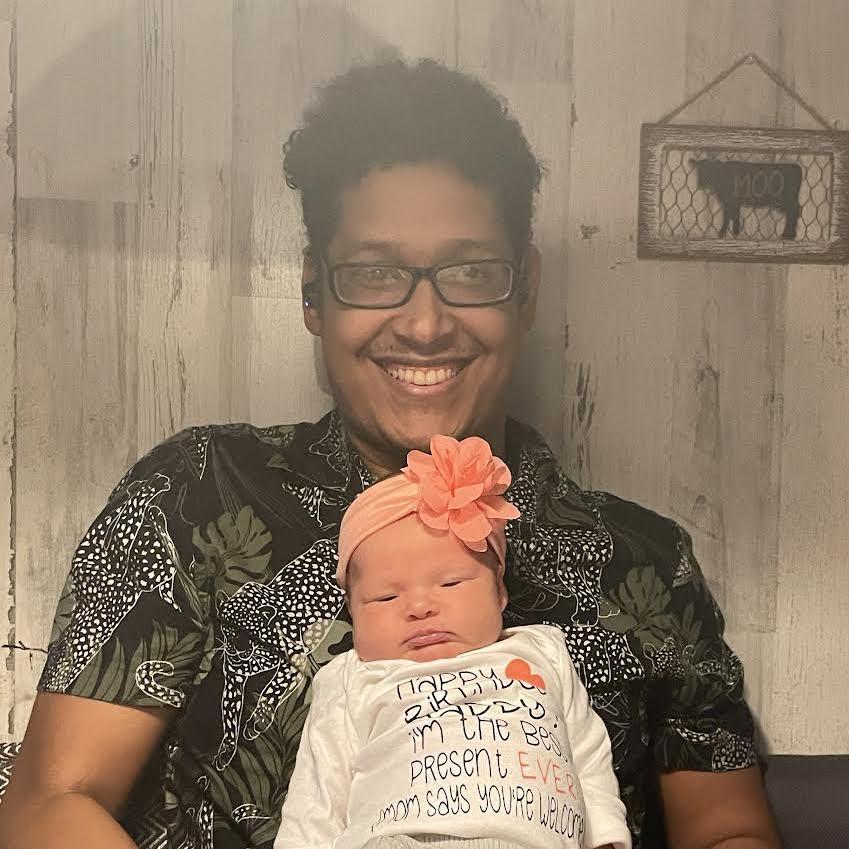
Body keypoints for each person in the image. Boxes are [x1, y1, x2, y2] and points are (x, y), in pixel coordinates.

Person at [0, 59, 781, 849]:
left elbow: (727, 830)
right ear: (313, 293)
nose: (424, 324)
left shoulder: (647, 563)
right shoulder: (195, 492)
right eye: (373, 274)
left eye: (470, 271)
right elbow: (50, 803)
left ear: (525, 289)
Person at [276, 434, 630, 849]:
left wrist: (606, 835)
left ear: (500, 592)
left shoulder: (542, 651)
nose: (420, 607)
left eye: (450, 583)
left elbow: (586, 753)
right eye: (385, 598)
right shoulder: (353, 678)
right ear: (352, 612)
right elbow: (316, 800)